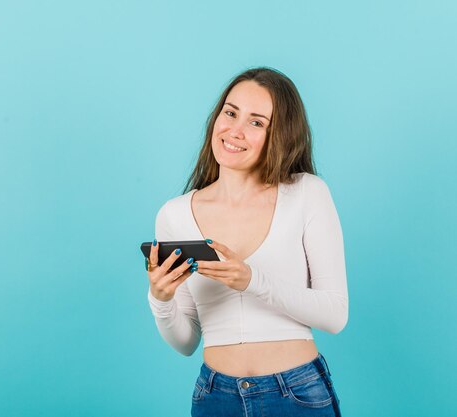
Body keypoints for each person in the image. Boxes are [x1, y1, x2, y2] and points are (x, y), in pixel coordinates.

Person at [145, 67, 348, 416]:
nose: (235, 130)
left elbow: (335, 315)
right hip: (215, 396)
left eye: (257, 122)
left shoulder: (306, 193)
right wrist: (160, 298)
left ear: (279, 135)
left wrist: (252, 280)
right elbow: (185, 342)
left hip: (296, 394)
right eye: (230, 112)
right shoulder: (174, 215)